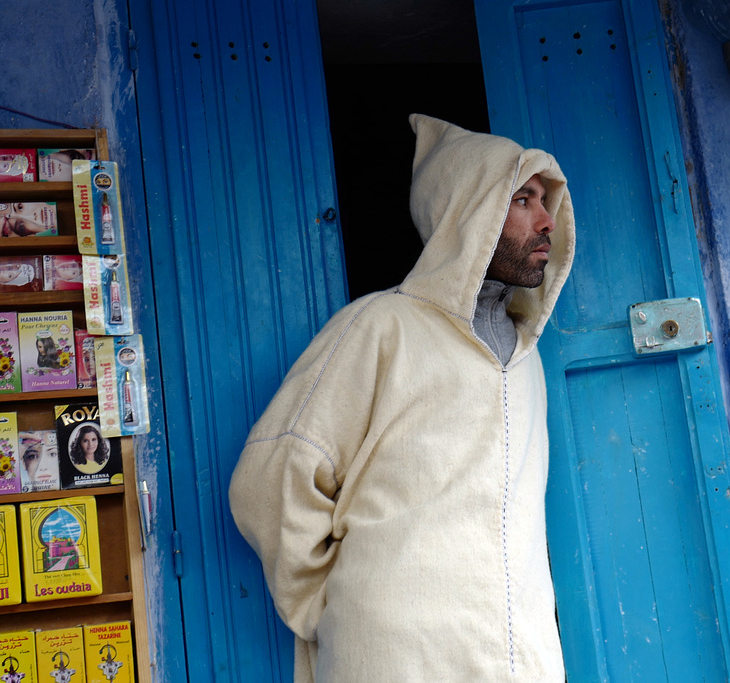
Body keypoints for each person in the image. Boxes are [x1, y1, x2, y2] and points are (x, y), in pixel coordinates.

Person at [228, 115, 575, 682]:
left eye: (547, 201)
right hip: (396, 659)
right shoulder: (381, 327)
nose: (546, 221)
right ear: (469, 210)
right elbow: (272, 476)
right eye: (523, 199)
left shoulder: (524, 355)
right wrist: (330, 608)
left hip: (519, 658)